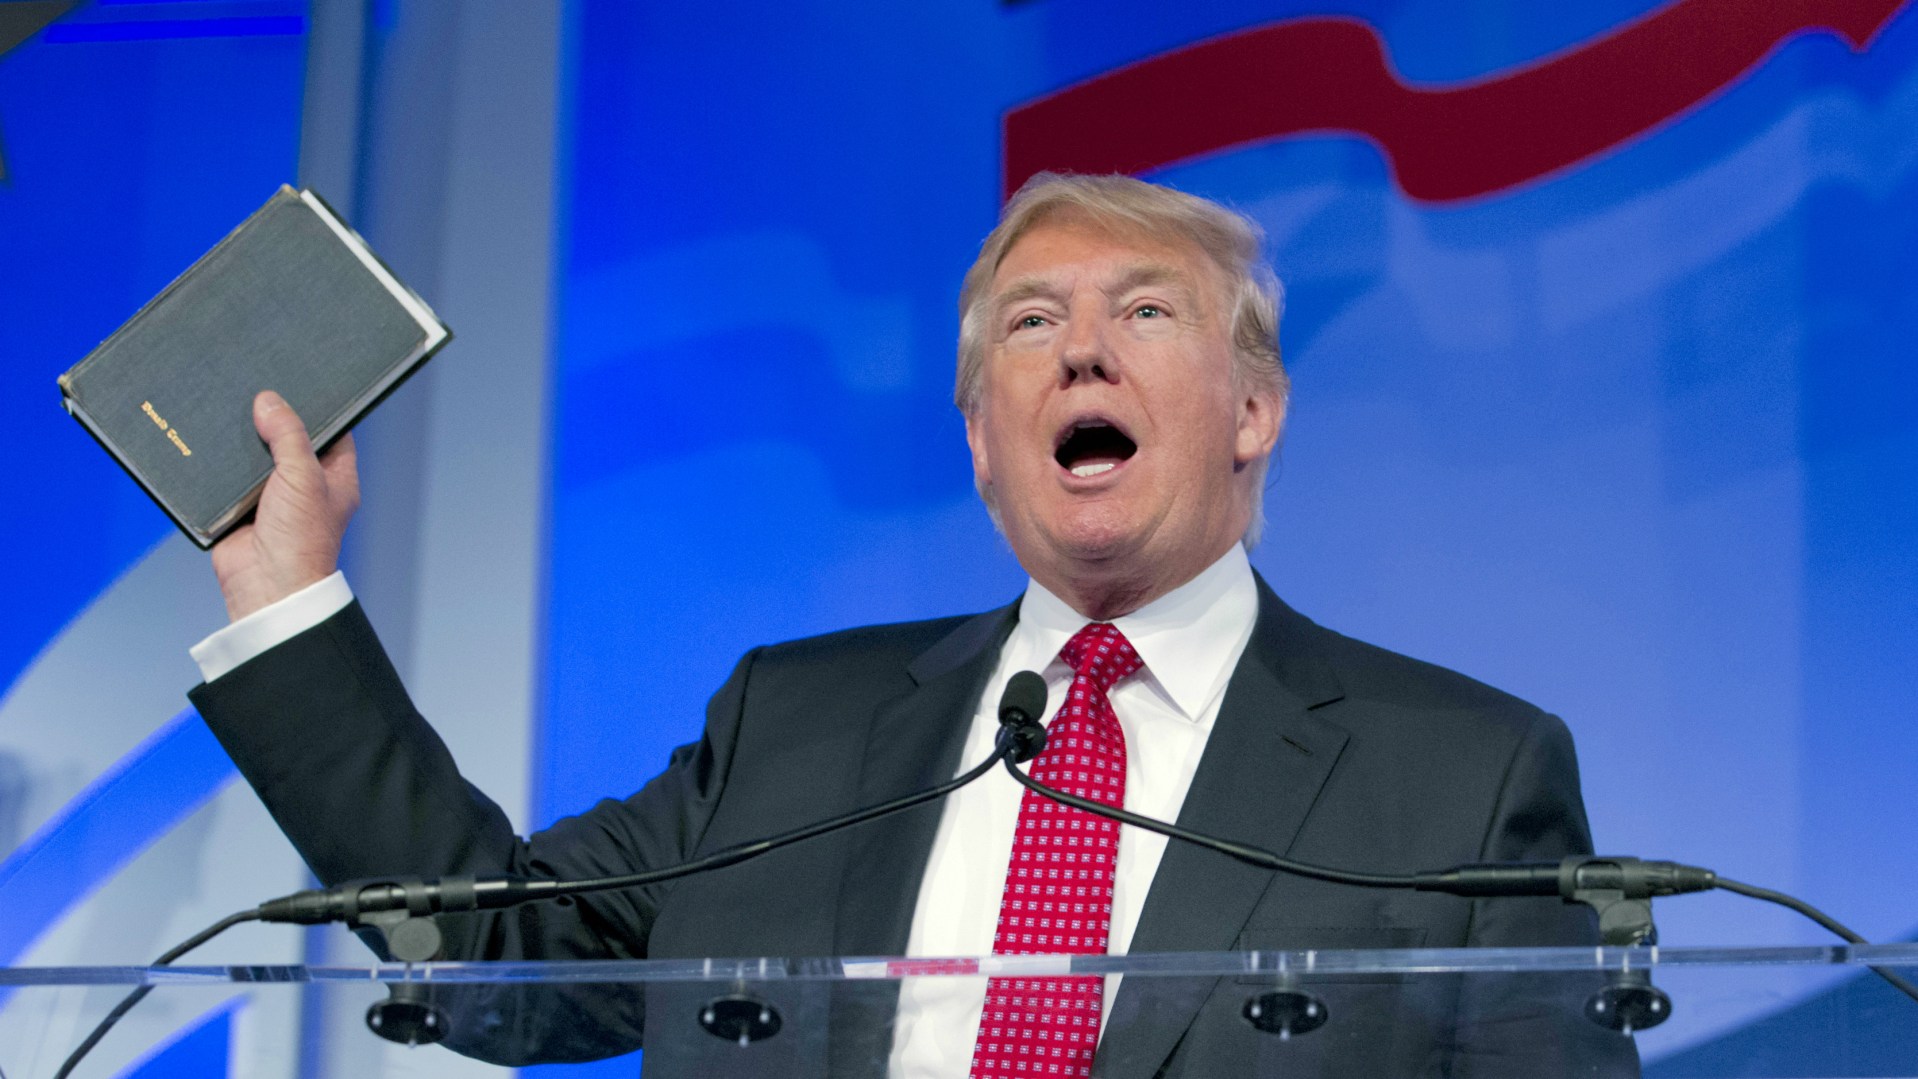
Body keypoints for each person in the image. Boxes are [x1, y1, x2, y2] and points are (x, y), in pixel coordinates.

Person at [189, 174, 1634, 1077]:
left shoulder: (1462, 774)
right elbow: (497, 963)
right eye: (1030, 324)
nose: (1081, 349)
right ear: (982, 441)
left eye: (1145, 312)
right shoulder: (794, 724)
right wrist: (283, 588)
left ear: (1254, 411)